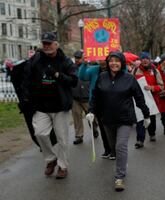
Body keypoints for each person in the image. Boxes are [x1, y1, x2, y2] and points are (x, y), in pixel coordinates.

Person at [87, 51, 150, 191]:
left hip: (125, 118)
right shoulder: (102, 77)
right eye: (111, 61)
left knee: (121, 146)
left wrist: (146, 115)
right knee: (114, 147)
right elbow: (95, 96)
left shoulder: (129, 79)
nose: (113, 63)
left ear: (121, 62)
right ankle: (122, 163)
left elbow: (139, 98)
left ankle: (119, 177)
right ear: (108, 63)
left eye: (116, 60)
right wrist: (91, 111)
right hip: (107, 119)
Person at [21, 32, 77, 179]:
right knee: (40, 133)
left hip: (60, 107)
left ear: (56, 44)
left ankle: (63, 166)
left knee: (62, 139)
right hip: (41, 106)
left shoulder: (65, 61)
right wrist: (26, 97)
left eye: (49, 43)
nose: (46, 46)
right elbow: (26, 78)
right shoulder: (36, 60)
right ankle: (51, 159)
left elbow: (73, 81)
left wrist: (57, 75)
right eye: (44, 43)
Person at [78, 57, 113, 159]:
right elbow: (82, 76)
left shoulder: (113, 68)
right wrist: (84, 64)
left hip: (112, 102)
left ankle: (114, 149)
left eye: (104, 59)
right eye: (100, 59)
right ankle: (107, 150)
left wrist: (119, 55)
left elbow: (124, 72)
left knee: (112, 128)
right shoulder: (94, 69)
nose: (102, 61)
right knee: (103, 128)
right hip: (97, 103)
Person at [134, 52, 164, 146]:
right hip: (139, 99)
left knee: (151, 118)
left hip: (152, 100)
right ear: (140, 60)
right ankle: (140, 140)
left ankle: (152, 133)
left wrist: (152, 88)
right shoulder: (135, 71)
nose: (145, 60)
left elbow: (161, 86)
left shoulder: (155, 71)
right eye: (143, 58)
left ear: (150, 60)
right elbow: (130, 83)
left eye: (147, 58)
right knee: (140, 119)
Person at [71, 50, 99, 145]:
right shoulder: (72, 68)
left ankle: (94, 128)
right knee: (77, 117)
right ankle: (79, 136)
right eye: (76, 58)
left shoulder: (90, 67)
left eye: (79, 58)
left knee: (91, 117)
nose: (77, 60)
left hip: (87, 98)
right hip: (75, 98)